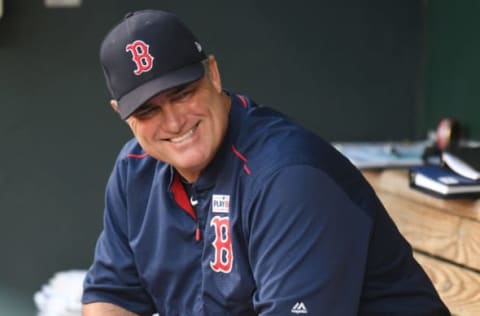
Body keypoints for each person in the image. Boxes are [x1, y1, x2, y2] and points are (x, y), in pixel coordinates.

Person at [82, 9, 450, 316]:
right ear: (123, 115)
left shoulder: (288, 177)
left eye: (182, 93)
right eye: (148, 110)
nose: (174, 122)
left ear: (212, 73)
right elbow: (112, 295)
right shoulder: (135, 170)